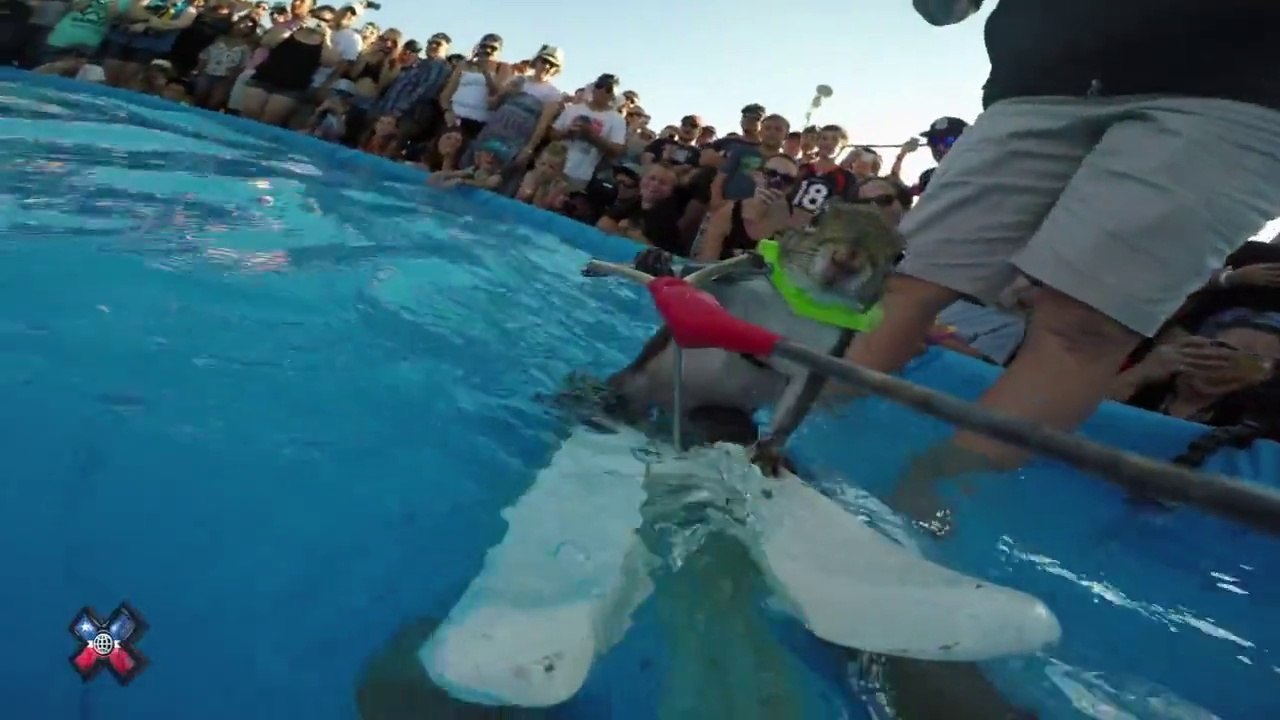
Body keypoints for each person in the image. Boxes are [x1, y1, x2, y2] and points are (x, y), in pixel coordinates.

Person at [848, 0, 1280, 520]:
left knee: (1084, 328)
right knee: (903, 283)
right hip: (1039, 70)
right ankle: (785, 444)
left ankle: (911, 513)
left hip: (1242, 79)